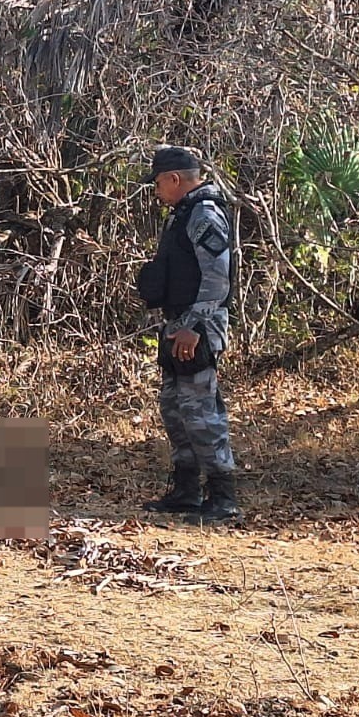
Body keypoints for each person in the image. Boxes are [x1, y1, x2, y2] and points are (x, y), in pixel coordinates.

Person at [134, 146, 240, 523]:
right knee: (176, 409)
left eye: (159, 183)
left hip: (198, 326)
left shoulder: (205, 214)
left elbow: (217, 279)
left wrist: (194, 327)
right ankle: (186, 490)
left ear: (174, 179)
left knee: (201, 412)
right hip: (178, 322)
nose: (158, 191)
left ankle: (222, 496)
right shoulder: (184, 214)